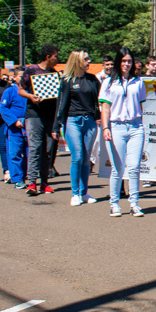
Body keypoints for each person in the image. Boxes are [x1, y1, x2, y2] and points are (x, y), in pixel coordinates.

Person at [100, 47, 147, 217]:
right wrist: (106, 128)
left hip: (135, 126)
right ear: (118, 62)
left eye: (129, 61)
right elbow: (105, 108)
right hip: (116, 126)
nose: (126, 64)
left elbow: (141, 105)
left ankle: (134, 203)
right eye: (124, 61)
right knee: (118, 168)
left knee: (134, 167)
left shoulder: (138, 81)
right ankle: (114, 203)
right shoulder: (109, 82)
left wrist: (141, 123)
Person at [53, 50, 101, 207]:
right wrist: (56, 125)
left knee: (86, 159)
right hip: (72, 120)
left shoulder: (92, 80)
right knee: (78, 156)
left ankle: (84, 192)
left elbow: (99, 100)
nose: (89, 61)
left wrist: (99, 117)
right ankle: (75, 193)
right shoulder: (67, 80)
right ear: (77, 61)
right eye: (86, 59)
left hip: (90, 121)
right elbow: (61, 104)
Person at [19, 45, 61, 196]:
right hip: (34, 115)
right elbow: (20, 89)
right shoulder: (31, 71)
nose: (57, 59)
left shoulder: (54, 73)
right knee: (35, 148)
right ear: (48, 56)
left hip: (49, 116)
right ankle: (31, 183)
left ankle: (44, 182)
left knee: (48, 150)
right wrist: (31, 96)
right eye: (55, 56)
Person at [0, 79, 29, 190]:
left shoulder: (30, 91)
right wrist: (14, 121)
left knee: (29, 153)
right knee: (15, 153)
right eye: (20, 76)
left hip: (29, 125)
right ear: (15, 78)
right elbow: (3, 108)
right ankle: (17, 178)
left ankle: (27, 176)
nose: (23, 79)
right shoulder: (9, 91)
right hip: (14, 127)